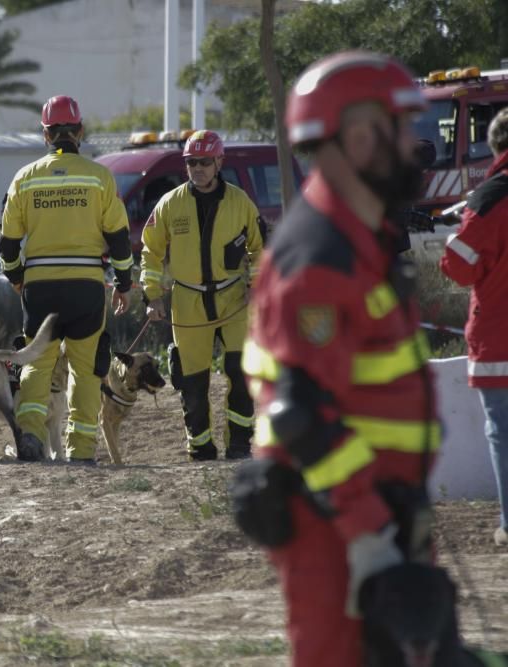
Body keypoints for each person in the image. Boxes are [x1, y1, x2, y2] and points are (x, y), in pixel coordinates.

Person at [238, 51, 440, 666]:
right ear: (357, 137)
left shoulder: (359, 237)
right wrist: (369, 533)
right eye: (402, 130)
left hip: (378, 510)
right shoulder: (319, 255)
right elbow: (304, 416)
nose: (416, 148)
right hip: (335, 525)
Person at [0, 95, 133, 464]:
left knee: (36, 368)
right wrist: (124, 283)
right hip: (87, 288)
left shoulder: (24, 178)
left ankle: (31, 440)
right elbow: (119, 239)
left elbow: (7, 242)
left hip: (40, 288)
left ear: (45, 134)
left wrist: (16, 278)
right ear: (80, 131)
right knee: (87, 372)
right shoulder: (99, 176)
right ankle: (82, 451)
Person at [141, 130, 265, 461]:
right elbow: (150, 251)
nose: (198, 168)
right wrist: (152, 295)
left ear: (219, 162)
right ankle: (200, 446)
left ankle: (239, 444)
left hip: (234, 299)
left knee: (242, 374)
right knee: (192, 382)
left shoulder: (240, 202)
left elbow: (260, 247)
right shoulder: (170, 204)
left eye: (205, 162)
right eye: (192, 162)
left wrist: (257, 286)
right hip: (188, 301)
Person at [440, 106, 508, 548]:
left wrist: (452, 235)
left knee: (501, 428)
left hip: (500, 333)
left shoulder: (490, 197)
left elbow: (458, 266)